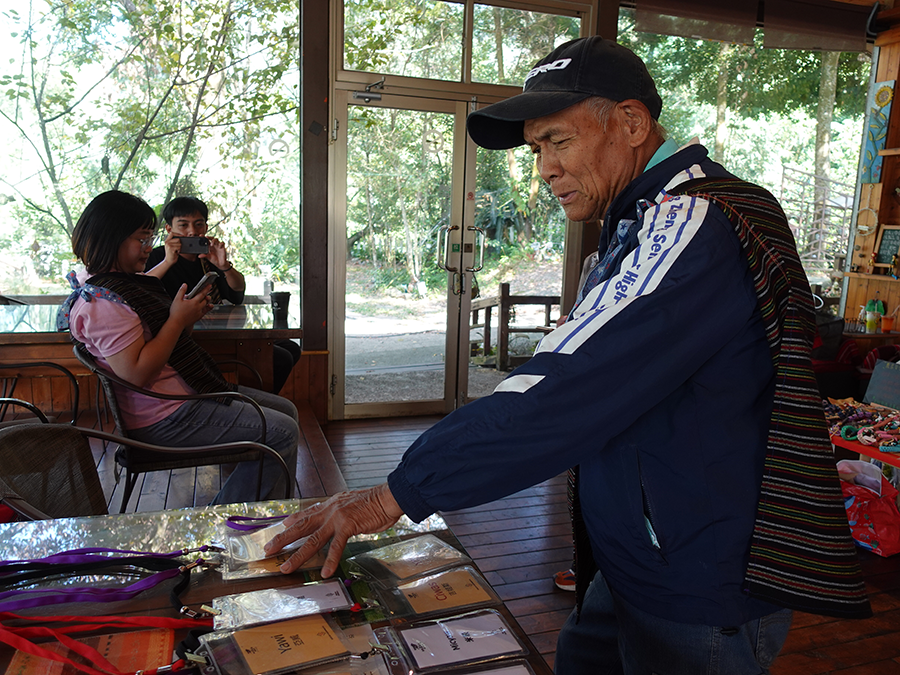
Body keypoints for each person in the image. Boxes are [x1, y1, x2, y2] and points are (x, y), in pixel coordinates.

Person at [264, 37, 870, 673]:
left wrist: (395, 493)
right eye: (536, 149)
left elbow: (562, 388)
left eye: (558, 141)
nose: (544, 169)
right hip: (636, 553)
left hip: (697, 570)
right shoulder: (642, 217)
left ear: (631, 124)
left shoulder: (695, 222)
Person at [58, 190, 299, 505]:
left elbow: (162, 328)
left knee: (287, 412)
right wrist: (176, 320)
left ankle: (265, 515)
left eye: (150, 238)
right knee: (282, 431)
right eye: (141, 240)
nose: (148, 248)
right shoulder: (103, 303)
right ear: (112, 239)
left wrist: (184, 318)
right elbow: (137, 374)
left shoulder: (117, 283)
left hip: (179, 397)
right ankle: (226, 527)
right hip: (163, 416)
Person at [146, 196, 302, 393]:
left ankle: (258, 405)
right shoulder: (157, 257)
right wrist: (168, 261)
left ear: (205, 227)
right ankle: (253, 407)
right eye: (183, 225)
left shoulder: (207, 258)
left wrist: (223, 265)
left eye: (198, 224)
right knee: (280, 357)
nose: (192, 231)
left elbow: (236, 295)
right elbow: (142, 287)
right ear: (169, 229)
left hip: (216, 331)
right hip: (182, 337)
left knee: (291, 348)